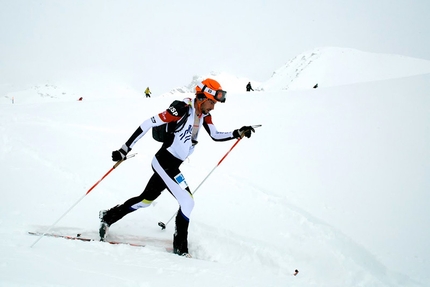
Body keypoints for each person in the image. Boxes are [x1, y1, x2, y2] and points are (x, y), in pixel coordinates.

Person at [99, 78, 256, 257]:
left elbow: (215, 135)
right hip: (164, 162)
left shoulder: (204, 115)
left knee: (145, 200)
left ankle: (107, 217)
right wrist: (124, 149)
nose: (213, 107)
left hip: (173, 165)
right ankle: (181, 248)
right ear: (203, 97)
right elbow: (147, 123)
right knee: (187, 201)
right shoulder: (181, 109)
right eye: (212, 102)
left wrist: (238, 132)